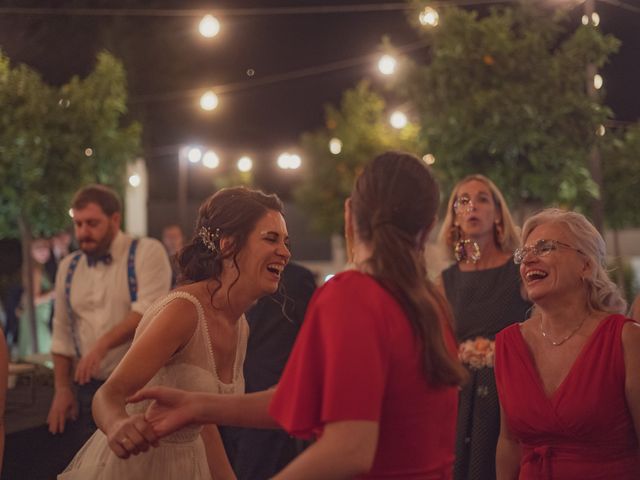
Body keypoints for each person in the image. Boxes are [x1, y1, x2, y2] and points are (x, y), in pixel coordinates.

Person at [130, 151, 467, 478]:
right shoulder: (430, 302)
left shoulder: (354, 294)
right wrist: (197, 405)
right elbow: (297, 399)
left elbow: (350, 448)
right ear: (431, 225)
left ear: (350, 214)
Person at [59, 186, 291, 479]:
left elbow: (204, 420)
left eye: (285, 241)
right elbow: (108, 394)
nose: (285, 252)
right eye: (271, 239)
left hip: (189, 466)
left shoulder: (239, 323)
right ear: (229, 245)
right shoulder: (184, 310)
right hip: (139, 467)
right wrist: (119, 425)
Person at [495, 208, 640, 479]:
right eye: (524, 253)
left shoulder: (626, 339)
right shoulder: (507, 344)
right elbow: (509, 443)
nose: (529, 260)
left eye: (545, 247)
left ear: (585, 265)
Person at [47, 184, 172, 470]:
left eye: (92, 223)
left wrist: (102, 344)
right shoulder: (69, 266)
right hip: (87, 391)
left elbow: (149, 310)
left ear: (115, 219)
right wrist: (62, 388)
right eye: (78, 224)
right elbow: (62, 331)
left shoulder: (146, 251)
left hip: (137, 389)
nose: (83, 232)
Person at [437, 174, 531, 480]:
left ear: (498, 214)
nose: (472, 206)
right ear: (453, 217)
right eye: (463, 201)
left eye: (482, 198)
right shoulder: (444, 282)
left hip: (510, 394)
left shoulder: (519, 273)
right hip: (460, 397)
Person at [220, 261, 316, 479]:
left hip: (272, 397)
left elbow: (310, 340)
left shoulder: (296, 279)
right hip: (228, 396)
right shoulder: (222, 278)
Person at [17, 238, 55, 357]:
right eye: (38, 248)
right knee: (43, 354)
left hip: (36, 317)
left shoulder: (36, 268)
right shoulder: (35, 270)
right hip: (36, 319)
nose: (43, 250)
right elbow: (35, 300)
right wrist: (55, 292)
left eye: (45, 246)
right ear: (30, 251)